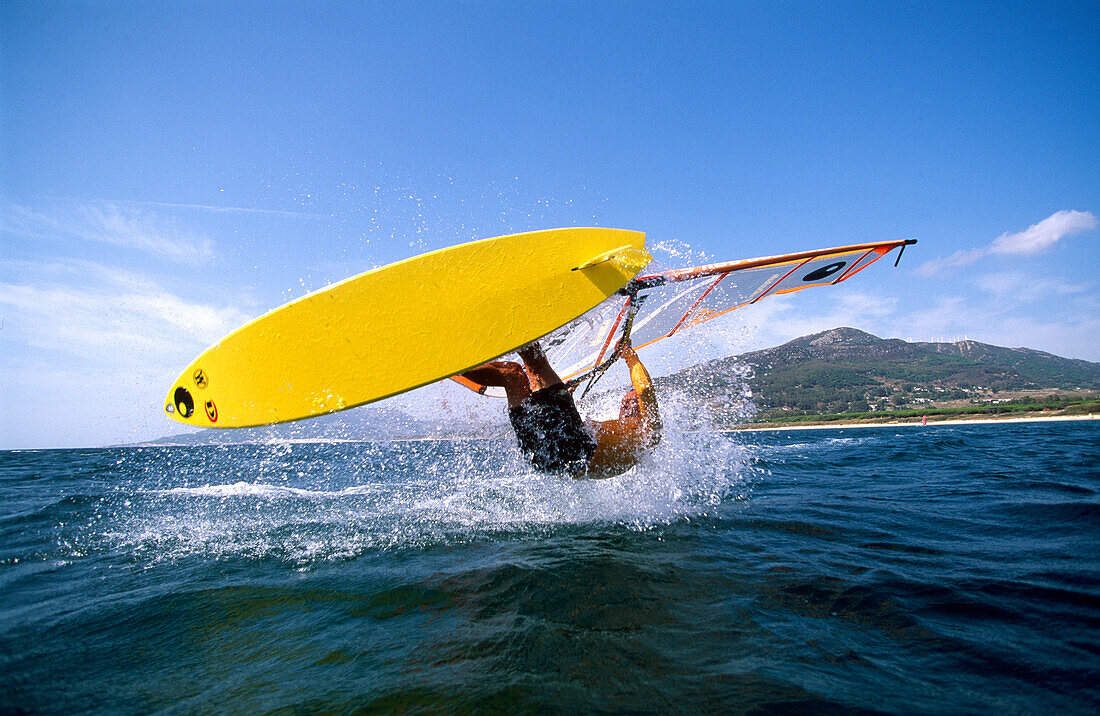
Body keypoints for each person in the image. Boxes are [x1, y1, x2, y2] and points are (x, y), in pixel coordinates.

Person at [462, 339, 661, 477]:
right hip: (545, 461)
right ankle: (456, 365)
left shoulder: (649, 430)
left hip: (573, 452)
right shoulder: (624, 436)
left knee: (535, 361)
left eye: (631, 401)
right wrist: (563, 400)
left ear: (644, 408)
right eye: (625, 401)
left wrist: (629, 356)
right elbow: (569, 428)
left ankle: (506, 314)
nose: (626, 402)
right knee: (510, 375)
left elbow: (645, 389)